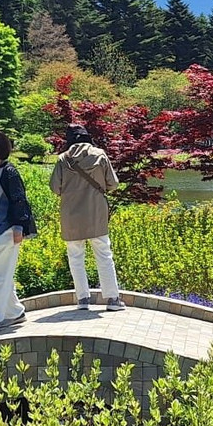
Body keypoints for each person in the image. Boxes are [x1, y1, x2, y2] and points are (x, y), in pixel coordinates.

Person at [50, 124, 125, 312]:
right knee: (104, 255)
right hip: (96, 213)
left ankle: (83, 299)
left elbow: (54, 188)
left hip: (71, 215)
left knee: (75, 257)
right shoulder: (100, 155)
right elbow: (113, 184)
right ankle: (112, 299)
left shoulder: (62, 159)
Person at [0, 129, 37, 328]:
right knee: (0, 273)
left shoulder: (10, 172)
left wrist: (20, 226)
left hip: (8, 229)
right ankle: (14, 312)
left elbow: (19, 200)